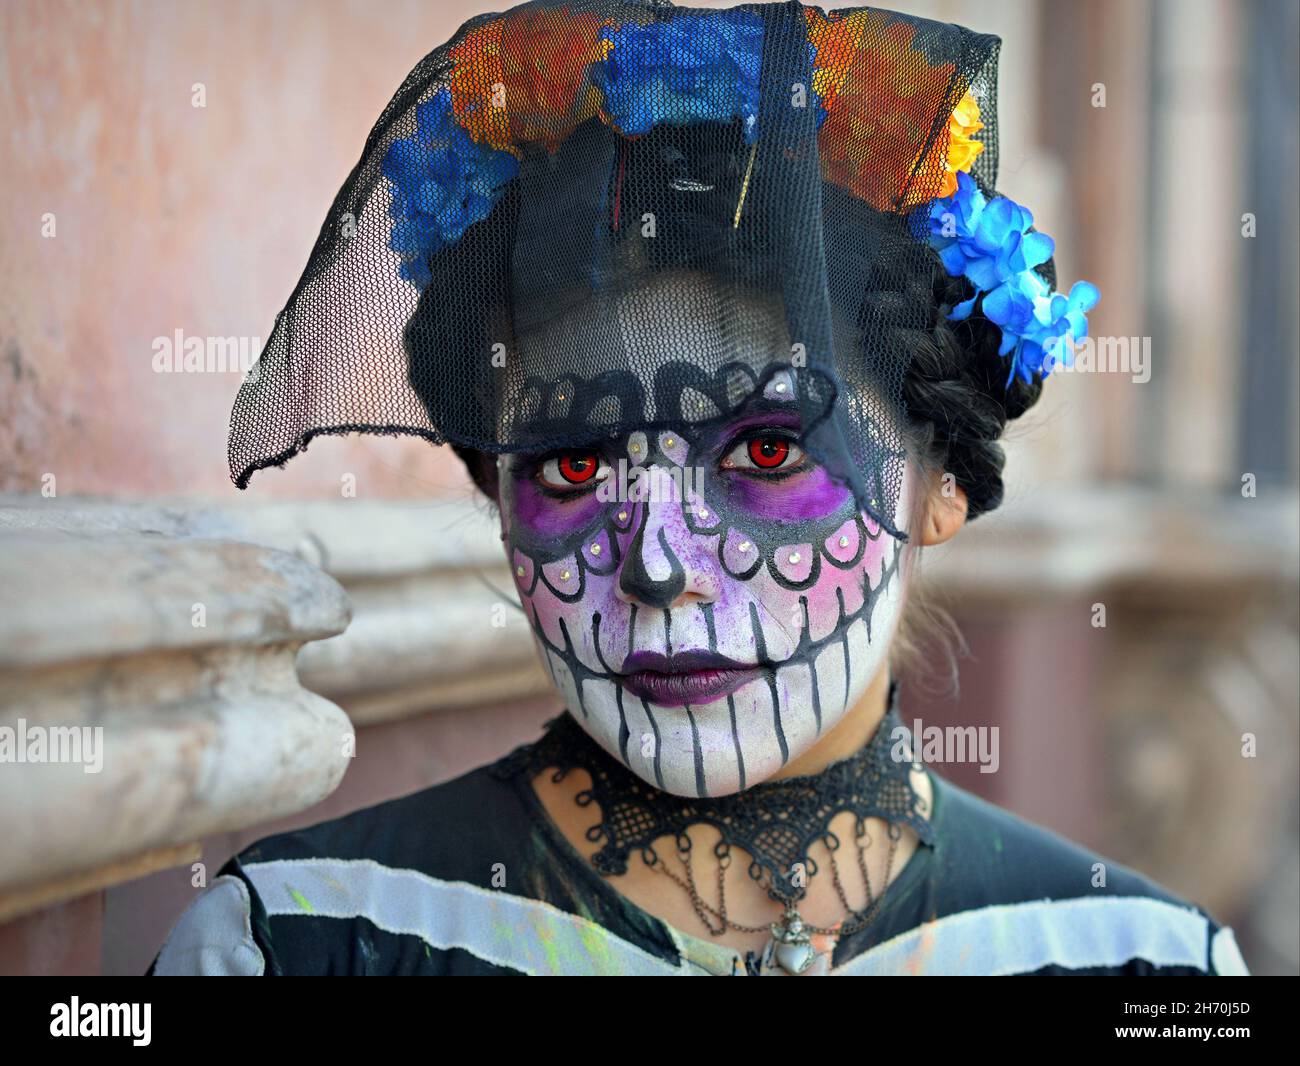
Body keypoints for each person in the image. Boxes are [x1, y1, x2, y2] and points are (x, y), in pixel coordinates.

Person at [153, 0, 1248, 975]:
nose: (656, 566)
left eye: (768, 453)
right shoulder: (303, 938)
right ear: (494, 488)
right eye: (572, 465)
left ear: (940, 480)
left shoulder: (1142, 967)